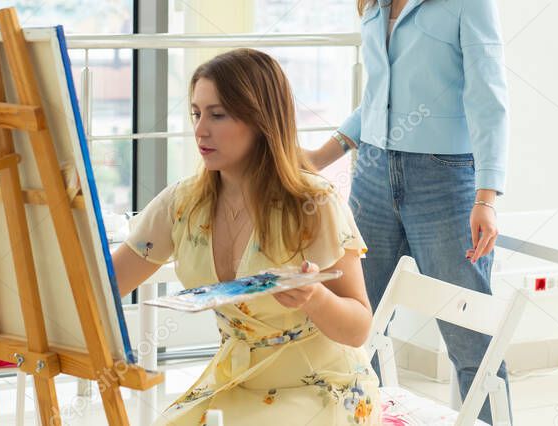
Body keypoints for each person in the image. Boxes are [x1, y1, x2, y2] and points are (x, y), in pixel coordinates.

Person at [113, 48, 381, 425]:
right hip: (235, 382)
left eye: (217, 115)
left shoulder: (313, 202)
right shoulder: (182, 202)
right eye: (196, 113)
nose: (200, 129)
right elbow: (102, 288)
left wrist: (314, 297)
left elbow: (357, 329)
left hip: (320, 386)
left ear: (260, 120)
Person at [305, 0, 511, 423]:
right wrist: (319, 158)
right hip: (373, 175)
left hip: (446, 179)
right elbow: (375, 101)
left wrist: (486, 197)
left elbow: (488, 99)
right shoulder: (374, 6)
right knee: (355, 324)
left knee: (470, 337)